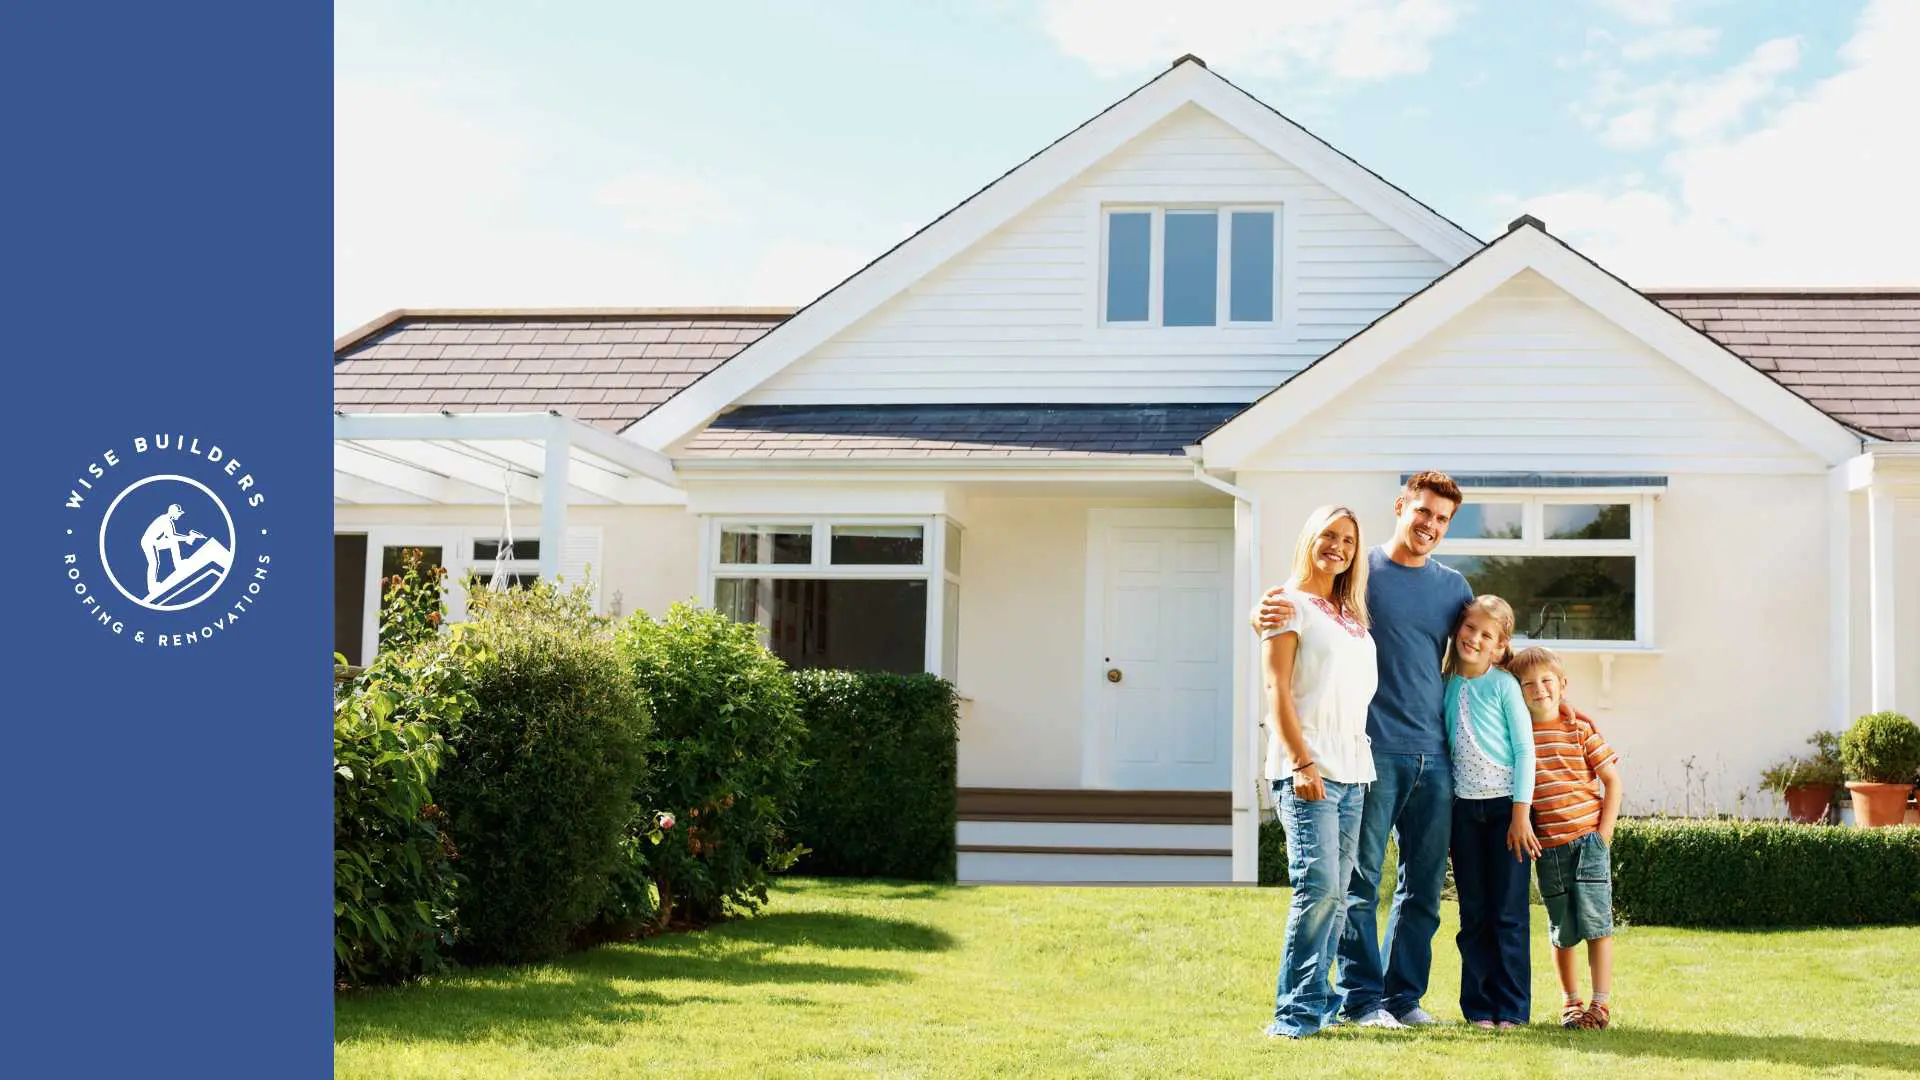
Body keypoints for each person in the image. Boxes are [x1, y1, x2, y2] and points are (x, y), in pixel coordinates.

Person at [1252, 471, 1472, 1028]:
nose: (1429, 525)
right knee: (1353, 885)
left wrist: (1548, 699)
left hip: (1426, 755)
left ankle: (1402, 1000)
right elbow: (1295, 614)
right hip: (1369, 754)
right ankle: (1359, 999)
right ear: (1401, 507)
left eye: (1442, 518)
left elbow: (1481, 651)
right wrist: (1263, 613)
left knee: (1421, 888)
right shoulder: (1358, 573)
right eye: (1422, 511)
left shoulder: (1450, 589)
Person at [1260, 505, 1377, 1039]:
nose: (1339, 547)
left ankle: (1321, 1003)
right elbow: (1276, 690)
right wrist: (1302, 761)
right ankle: (1294, 1015)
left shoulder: (1348, 613)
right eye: (1329, 535)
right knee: (1319, 888)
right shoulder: (1286, 604)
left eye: (1349, 540)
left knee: (1337, 896)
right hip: (1308, 767)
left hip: (1353, 769)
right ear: (1309, 537)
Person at [1510, 646, 1624, 1030]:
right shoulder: (1519, 733)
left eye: (1546, 681)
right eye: (1528, 684)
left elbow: (1612, 781)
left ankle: (1600, 1004)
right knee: (1562, 929)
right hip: (1549, 848)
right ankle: (1571, 1003)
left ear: (1562, 685)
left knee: (1597, 924)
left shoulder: (1579, 728)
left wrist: (1603, 837)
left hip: (1587, 842)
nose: (1538, 689)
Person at [1443, 595, 1537, 1029]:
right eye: (1470, 629)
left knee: (1509, 914)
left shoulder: (1503, 685)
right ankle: (1479, 1008)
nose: (1474, 639)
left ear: (1500, 647)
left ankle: (1513, 1009)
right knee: (1474, 913)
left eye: (1486, 635)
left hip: (1507, 813)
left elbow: (1524, 750)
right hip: (1465, 813)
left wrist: (1521, 813)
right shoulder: (1446, 682)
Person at [141, 503, 206, 595]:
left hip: (155, 541)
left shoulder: (167, 519)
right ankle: (152, 587)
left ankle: (178, 564)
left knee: (173, 543)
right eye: (178, 513)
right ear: (173, 512)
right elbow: (172, 536)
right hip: (149, 542)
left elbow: (171, 537)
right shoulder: (165, 520)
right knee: (154, 562)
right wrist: (187, 538)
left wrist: (187, 538)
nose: (180, 515)